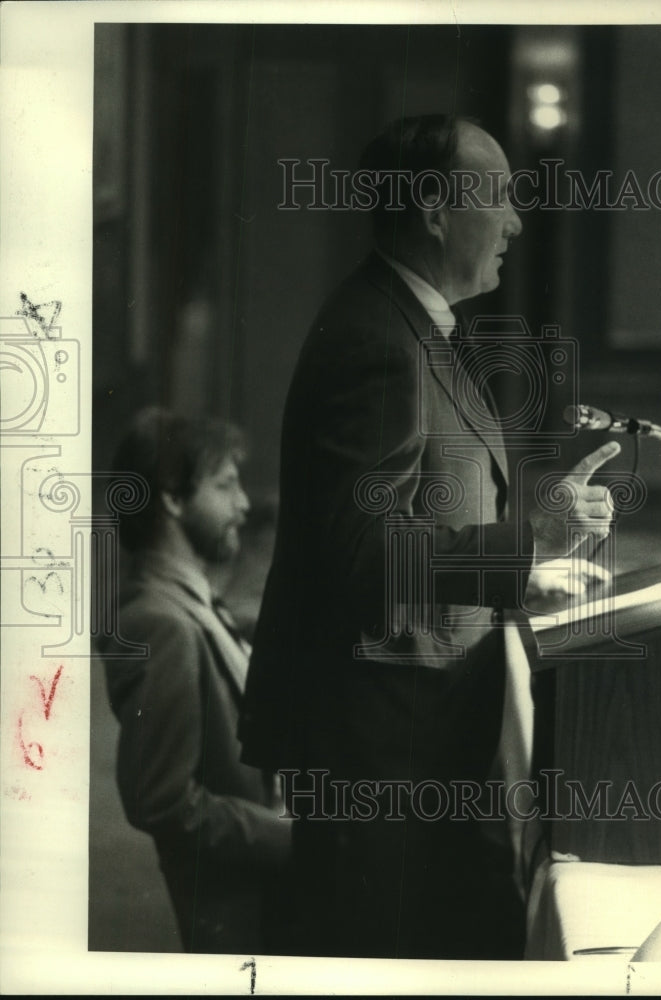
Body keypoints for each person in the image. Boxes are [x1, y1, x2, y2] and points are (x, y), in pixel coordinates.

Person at [238, 115, 619, 959]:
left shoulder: (410, 322)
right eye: (502, 197)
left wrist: (525, 574)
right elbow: (357, 554)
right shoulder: (379, 342)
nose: (518, 221)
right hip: (385, 756)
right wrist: (527, 541)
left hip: (418, 733)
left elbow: (419, 524)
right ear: (437, 209)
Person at [100, 407, 292, 954]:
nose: (244, 504)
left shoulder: (190, 602)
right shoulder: (160, 623)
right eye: (226, 484)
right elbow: (163, 803)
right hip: (240, 915)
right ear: (173, 498)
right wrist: (294, 837)